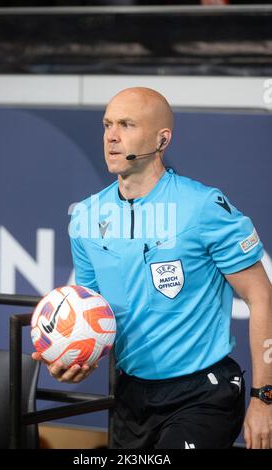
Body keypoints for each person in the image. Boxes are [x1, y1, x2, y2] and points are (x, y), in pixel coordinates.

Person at [33, 87, 272, 449]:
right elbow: (93, 314)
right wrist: (76, 358)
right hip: (131, 396)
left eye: (126, 125)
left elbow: (261, 296)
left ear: (162, 140)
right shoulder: (84, 216)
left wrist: (264, 397)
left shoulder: (203, 206)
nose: (111, 136)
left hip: (202, 395)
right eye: (107, 124)